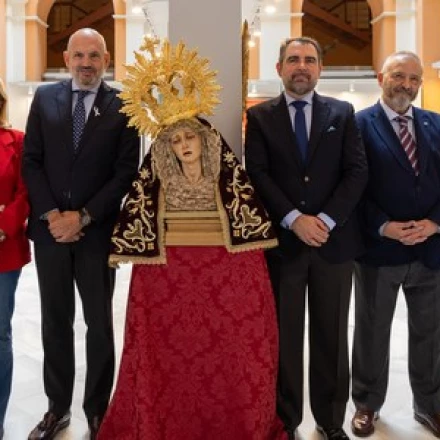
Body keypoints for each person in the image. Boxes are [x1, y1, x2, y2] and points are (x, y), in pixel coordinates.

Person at [96, 38, 285, 440]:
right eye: (176, 141)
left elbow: (246, 227)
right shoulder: (158, 184)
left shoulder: (228, 184)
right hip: (170, 271)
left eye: (190, 138)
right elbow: (140, 223)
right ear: (166, 148)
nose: (184, 146)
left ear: (205, 141)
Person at [245, 37, 368, 440]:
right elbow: (258, 174)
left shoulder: (343, 112)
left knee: (331, 337)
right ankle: (286, 420)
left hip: (333, 245)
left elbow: (356, 172)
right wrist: (294, 218)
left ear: (320, 69)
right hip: (283, 247)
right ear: (279, 68)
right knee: (284, 337)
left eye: (310, 60)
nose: (302, 66)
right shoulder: (260, 116)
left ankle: (331, 421)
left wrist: (327, 220)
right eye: (294, 60)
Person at [22, 28, 139, 440]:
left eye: (94, 56)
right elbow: (31, 161)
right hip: (51, 231)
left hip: (96, 233)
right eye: (78, 55)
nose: (86, 63)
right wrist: (54, 215)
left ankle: (96, 411)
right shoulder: (45, 99)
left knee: (99, 325)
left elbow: (126, 171)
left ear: (106, 60)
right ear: (67, 58)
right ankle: (57, 409)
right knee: (55, 322)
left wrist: (84, 217)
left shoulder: (123, 104)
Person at [350, 51, 440, 438]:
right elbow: (352, 190)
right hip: (378, 250)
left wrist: (435, 223)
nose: (406, 85)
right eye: (399, 76)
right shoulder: (356, 126)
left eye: (414, 79)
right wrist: (384, 226)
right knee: (372, 332)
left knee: (431, 334)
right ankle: (367, 404)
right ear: (381, 77)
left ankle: (430, 406)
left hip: (429, 250)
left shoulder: (435, 124)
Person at [0, 78, 30, 440]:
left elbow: (26, 190)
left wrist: (5, 223)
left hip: (3, 251)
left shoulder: (17, 141)